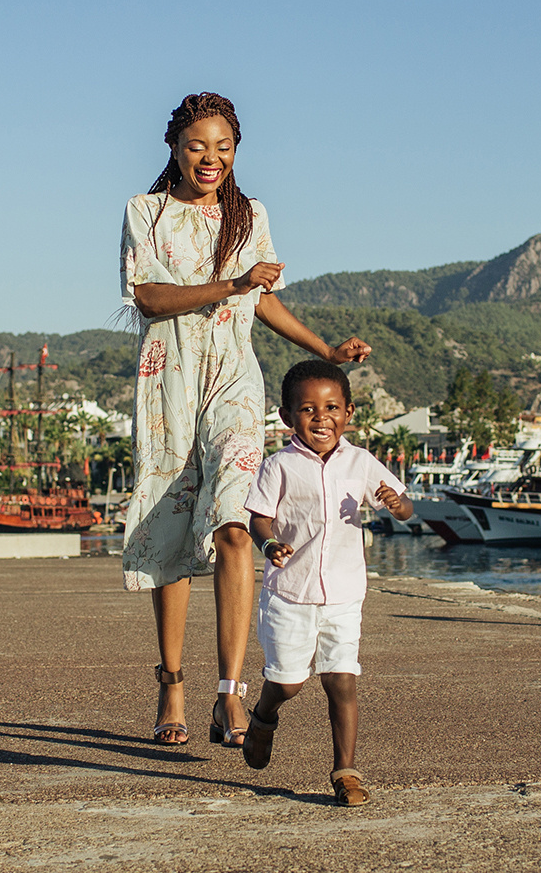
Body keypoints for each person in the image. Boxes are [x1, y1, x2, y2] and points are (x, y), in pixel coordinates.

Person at [122, 92, 372, 748]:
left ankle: (228, 693)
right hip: (167, 385)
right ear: (175, 148)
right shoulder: (145, 213)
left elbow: (264, 303)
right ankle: (172, 680)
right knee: (171, 535)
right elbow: (149, 298)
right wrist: (233, 285)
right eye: (199, 146)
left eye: (224, 147)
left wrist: (325, 351)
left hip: (235, 382)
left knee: (236, 524)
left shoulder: (250, 215)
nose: (212, 158)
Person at [240, 358, 412, 806]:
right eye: (308, 409)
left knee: (342, 679)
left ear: (349, 412)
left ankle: (345, 771)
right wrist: (268, 544)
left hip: (344, 593)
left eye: (332, 407)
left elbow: (405, 505)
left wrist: (397, 504)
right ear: (286, 416)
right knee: (290, 682)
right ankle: (263, 714)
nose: (322, 419)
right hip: (290, 593)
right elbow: (259, 518)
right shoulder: (279, 465)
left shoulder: (360, 461)